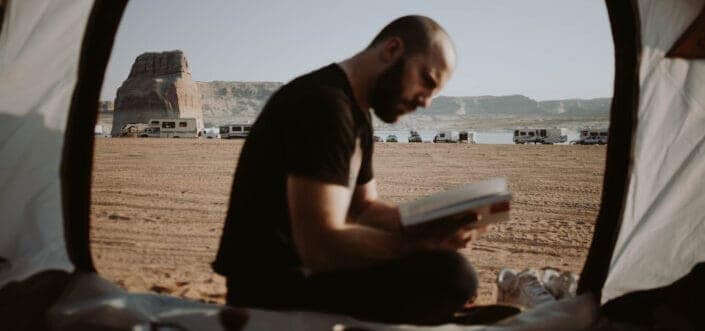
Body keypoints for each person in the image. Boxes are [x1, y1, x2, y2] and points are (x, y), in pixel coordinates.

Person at [213, 15, 488, 325]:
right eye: (427, 80)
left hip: (304, 273)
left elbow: (363, 208)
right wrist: (419, 245)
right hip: (271, 287)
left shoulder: (357, 112)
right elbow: (318, 245)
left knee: (447, 272)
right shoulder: (324, 105)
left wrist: (431, 223)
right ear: (392, 50)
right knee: (452, 275)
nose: (426, 102)